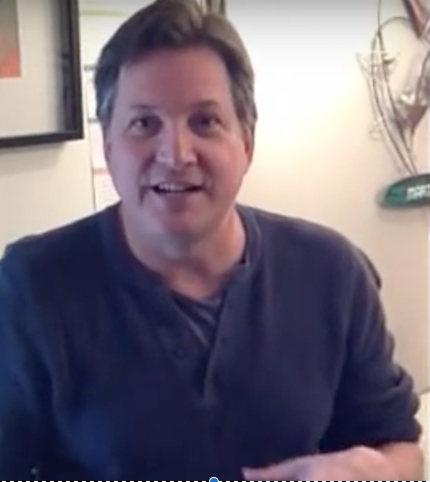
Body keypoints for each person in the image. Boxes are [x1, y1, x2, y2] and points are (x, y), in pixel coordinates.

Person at [0, 0, 424, 479]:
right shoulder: (31, 288)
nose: (176, 154)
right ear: (110, 146)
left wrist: (370, 471)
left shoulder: (334, 274)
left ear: (246, 142)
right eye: (144, 123)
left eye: (205, 121)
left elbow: (401, 450)